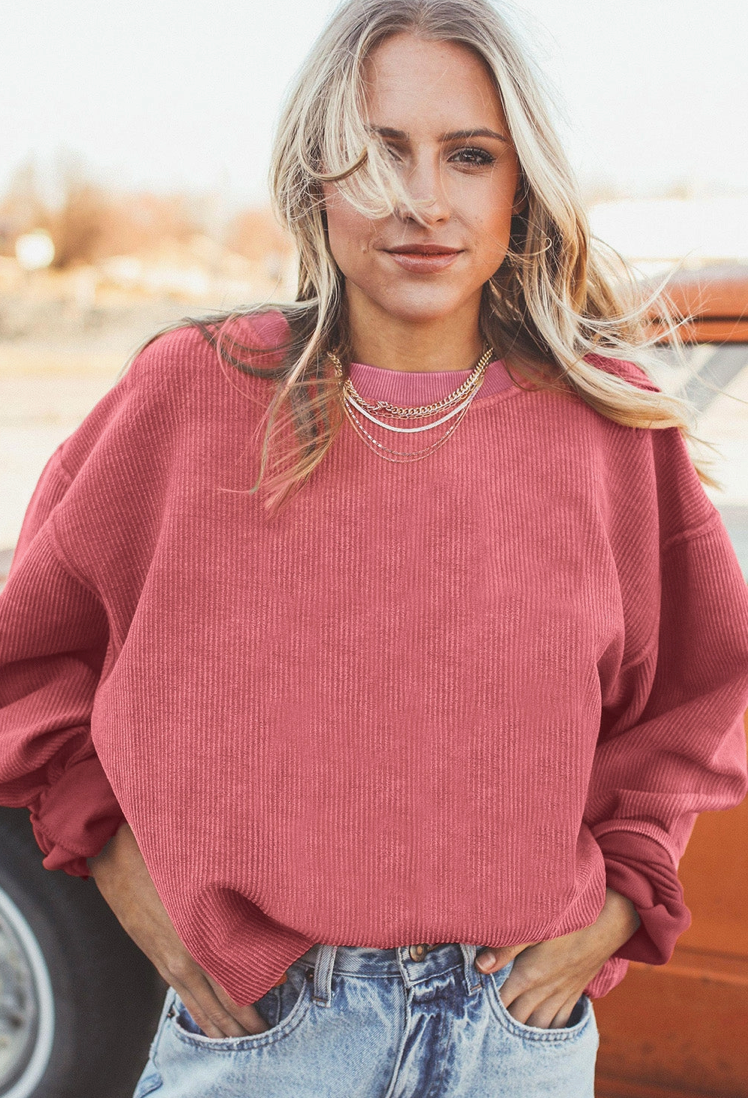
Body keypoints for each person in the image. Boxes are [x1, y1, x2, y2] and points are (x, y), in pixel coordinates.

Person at [2, 1, 748, 1095]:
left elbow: (700, 694)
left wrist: (622, 898)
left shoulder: (607, 430)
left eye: (469, 155)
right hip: (265, 1036)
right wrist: (118, 863)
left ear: (519, 186)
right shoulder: (193, 393)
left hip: (515, 1039)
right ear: (315, 176)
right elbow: (29, 657)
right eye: (378, 151)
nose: (422, 199)